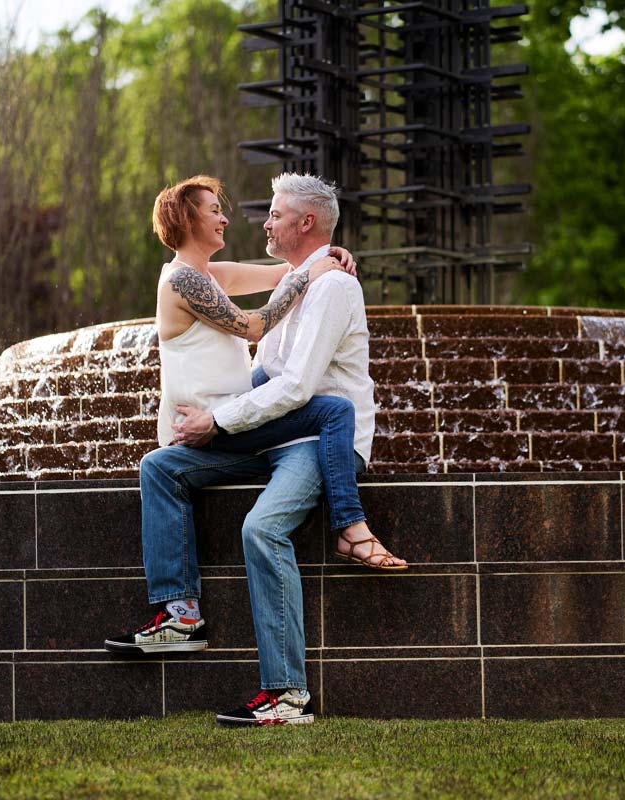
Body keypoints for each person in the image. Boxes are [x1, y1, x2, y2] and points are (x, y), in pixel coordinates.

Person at [105, 173, 402, 726]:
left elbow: (295, 388)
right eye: (219, 210)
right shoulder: (257, 279)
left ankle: (287, 698)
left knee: (261, 529)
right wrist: (209, 416)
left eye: (275, 213)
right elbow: (264, 368)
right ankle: (179, 614)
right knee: (161, 467)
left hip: (316, 440)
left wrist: (216, 419)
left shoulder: (334, 287)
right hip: (275, 431)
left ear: (305, 222)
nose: (259, 222)